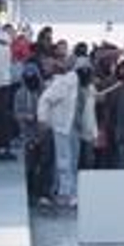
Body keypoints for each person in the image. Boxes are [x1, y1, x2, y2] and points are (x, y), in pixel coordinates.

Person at [37, 61, 82, 211]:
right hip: (63, 127)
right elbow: (46, 100)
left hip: (68, 127)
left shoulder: (68, 84)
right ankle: (66, 193)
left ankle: (68, 192)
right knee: (65, 160)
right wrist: (43, 119)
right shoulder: (65, 84)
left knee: (68, 161)